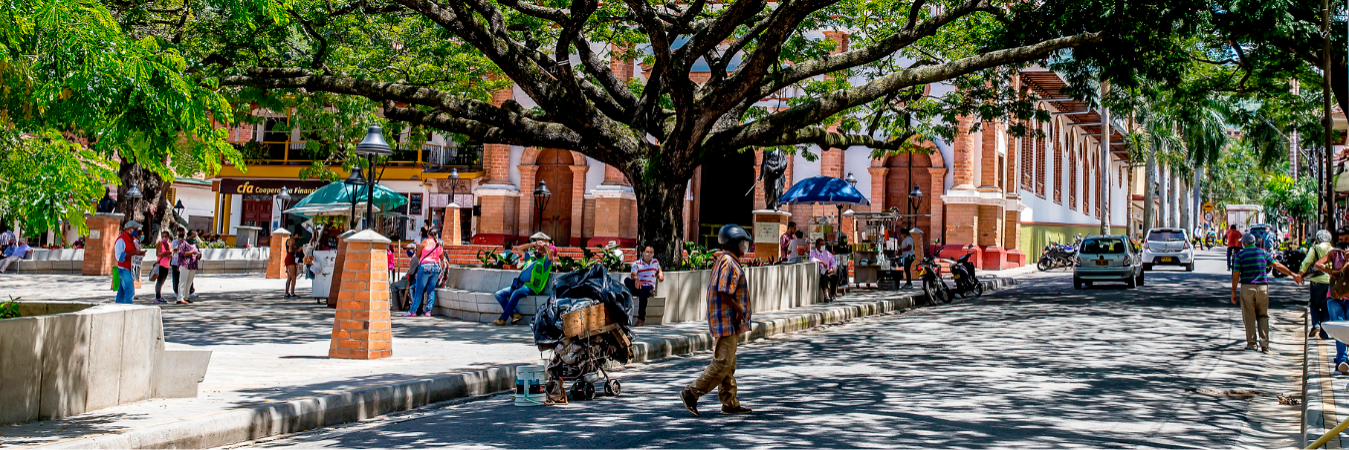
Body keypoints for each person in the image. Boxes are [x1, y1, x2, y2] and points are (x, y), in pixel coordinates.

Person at [680, 224, 754, 417]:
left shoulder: (725, 260)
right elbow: (724, 291)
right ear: (734, 243)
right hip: (727, 320)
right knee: (722, 362)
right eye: (743, 244)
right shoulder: (729, 262)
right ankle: (692, 392)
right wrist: (739, 310)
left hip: (727, 320)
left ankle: (729, 402)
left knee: (729, 362)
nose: (745, 248)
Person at [1231, 234, 1301, 353]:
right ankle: (1265, 345)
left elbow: (1236, 274)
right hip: (1263, 288)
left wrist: (1233, 291)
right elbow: (1277, 265)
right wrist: (1293, 274)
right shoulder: (1263, 253)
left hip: (1247, 287)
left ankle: (1252, 344)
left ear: (1244, 243)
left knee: (1249, 317)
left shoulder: (1240, 255)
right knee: (1263, 315)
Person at [494, 232, 556, 326]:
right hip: (519, 284)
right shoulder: (531, 259)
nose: (537, 250)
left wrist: (544, 245)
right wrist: (533, 244)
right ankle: (514, 314)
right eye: (536, 249)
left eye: (540, 250)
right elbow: (519, 249)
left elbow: (551, 252)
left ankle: (503, 318)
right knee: (498, 294)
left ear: (544, 252)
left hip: (532, 287)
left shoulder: (545, 262)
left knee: (516, 293)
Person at [1302, 229, 1334, 339]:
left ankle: (1315, 324)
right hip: (1330, 281)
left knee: (1314, 303)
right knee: (1326, 306)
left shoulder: (1315, 248)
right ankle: (1324, 332)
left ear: (1317, 239)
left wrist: (1300, 274)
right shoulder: (1333, 250)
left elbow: (1307, 262)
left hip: (1317, 281)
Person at [405, 228, 444, 317]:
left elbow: (418, 254)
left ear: (428, 235)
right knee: (431, 290)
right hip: (436, 267)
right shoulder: (439, 244)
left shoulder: (425, 242)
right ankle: (428, 312)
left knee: (419, 290)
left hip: (425, 266)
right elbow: (441, 258)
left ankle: (413, 311)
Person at [627, 246, 664, 326]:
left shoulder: (655, 262)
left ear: (653, 254)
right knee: (627, 281)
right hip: (638, 286)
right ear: (643, 253)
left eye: (651, 252)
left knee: (643, 292)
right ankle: (646, 290)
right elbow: (633, 274)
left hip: (648, 287)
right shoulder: (637, 263)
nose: (649, 254)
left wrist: (660, 273)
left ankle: (641, 319)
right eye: (647, 252)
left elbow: (659, 269)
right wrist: (636, 279)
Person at [114, 221, 146, 304]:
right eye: (135, 229)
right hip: (124, 269)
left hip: (130, 268)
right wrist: (135, 253)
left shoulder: (133, 240)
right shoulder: (121, 240)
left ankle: (118, 308)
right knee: (130, 290)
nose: (137, 231)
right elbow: (119, 257)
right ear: (128, 229)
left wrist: (139, 253)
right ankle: (128, 308)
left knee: (122, 293)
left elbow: (135, 251)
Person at [175, 230, 201, 305]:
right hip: (184, 264)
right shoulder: (183, 243)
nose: (194, 238)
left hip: (193, 265)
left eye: (195, 236)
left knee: (189, 282)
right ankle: (180, 298)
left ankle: (186, 297)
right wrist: (191, 252)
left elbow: (198, 252)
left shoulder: (195, 244)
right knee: (183, 281)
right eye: (192, 236)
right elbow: (181, 253)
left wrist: (198, 255)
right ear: (188, 236)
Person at [152, 231, 173, 303]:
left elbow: (171, 254)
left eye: (166, 236)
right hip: (161, 265)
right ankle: (157, 297)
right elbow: (158, 254)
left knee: (162, 281)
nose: (164, 238)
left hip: (167, 265)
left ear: (168, 237)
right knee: (159, 282)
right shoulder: (160, 244)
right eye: (163, 236)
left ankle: (159, 297)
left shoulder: (169, 245)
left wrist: (171, 255)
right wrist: (166, 253)